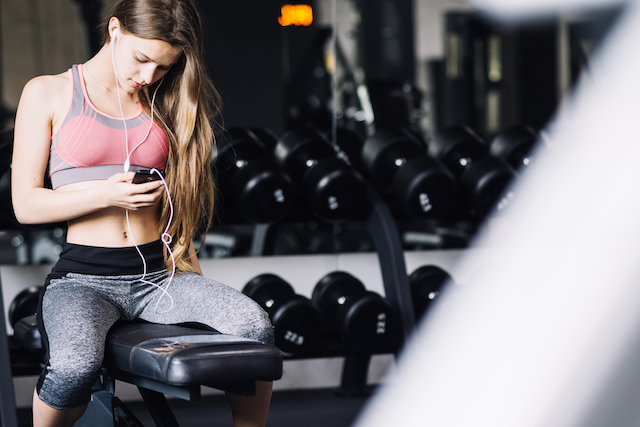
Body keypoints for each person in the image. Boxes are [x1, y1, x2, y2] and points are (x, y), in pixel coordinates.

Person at [10, 0, 275, 426]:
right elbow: (25, 204)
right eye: (142, 59)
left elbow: (180, 203)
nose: (148, 76)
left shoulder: (162, 102)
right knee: (75, 367)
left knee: (254, 325)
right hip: (84, 278)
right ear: (114, 29)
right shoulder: (49, 91)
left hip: (159, 278)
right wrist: (104, 194)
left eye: (164, 67)